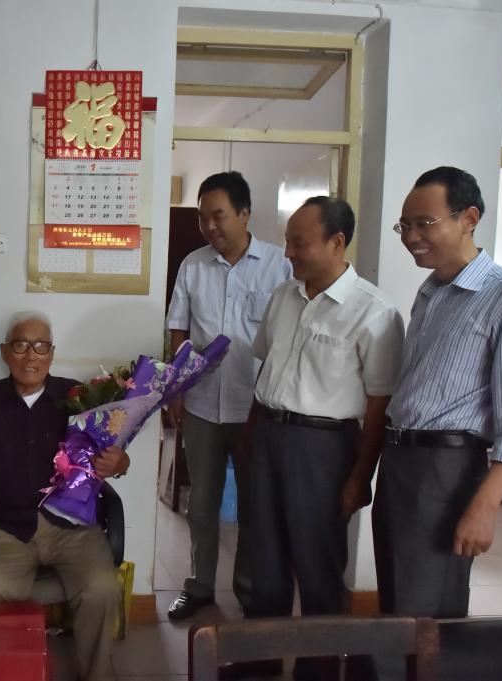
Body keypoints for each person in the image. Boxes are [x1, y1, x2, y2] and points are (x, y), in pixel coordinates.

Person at [374, 167, 502, 619]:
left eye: (424, 223)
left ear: (469, 218)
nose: (412, 237)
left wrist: (487, 505)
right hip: (401, 461)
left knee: (429, 611)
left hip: (446, 469)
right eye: (404, 226)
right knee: (397, 597)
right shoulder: (432, 292)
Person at [0, 311, 127, 681]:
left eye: (41, 346)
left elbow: (110, 455)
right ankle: (5, 671)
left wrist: (119, 462)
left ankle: (95, 676)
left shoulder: (77, 397)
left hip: (72, 527)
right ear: (5, 352)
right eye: (21, 345)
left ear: (52, 353)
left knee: (102, 589)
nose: (31, 355)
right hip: (7, 527)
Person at [248, 197, 403, 680]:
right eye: (287, 241)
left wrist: (360, 477)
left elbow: (379, 405)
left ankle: (317, 671)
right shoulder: (283, 296)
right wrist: (251, 440)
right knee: (262, 565)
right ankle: (258, 664)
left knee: (317, 569)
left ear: (336, 243)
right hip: (269, 437)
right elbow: (264, 370)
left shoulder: (375, 312)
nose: (288, 252)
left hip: (324, 449)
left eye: (299, 243)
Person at [164, 171, 292, 620]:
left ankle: (250, 592)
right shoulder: (193, 265)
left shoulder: (279, 266)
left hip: (256, 407)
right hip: (201, 404)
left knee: (255, 506)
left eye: (218, 216)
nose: (209, 226)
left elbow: (289, 336)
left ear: (244, 214)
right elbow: (178, 328)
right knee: (201, 504)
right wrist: (176, 390)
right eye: (203, 217)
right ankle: (199, 586)